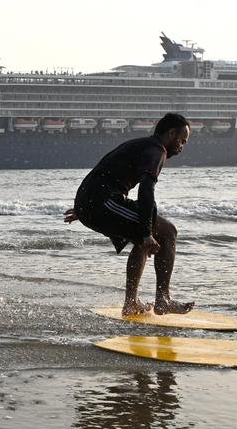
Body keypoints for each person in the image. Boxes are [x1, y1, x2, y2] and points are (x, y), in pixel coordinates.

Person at [63, 112, 194, 316]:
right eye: (182, 140)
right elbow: (146, 190)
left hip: (94, 201)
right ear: (171, 134)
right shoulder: (157, 150)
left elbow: (103, 171)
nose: (182, 146)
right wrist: (146, 232)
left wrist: (83, 208)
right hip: (101, 201)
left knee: (143, 234)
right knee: (168, 232)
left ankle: (132, 302)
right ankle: (163, 299)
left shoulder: (141, 145)